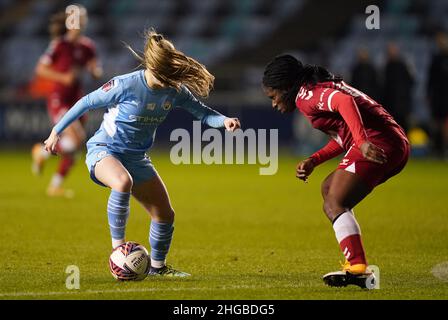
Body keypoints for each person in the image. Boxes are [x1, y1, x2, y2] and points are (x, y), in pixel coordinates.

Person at [43, 30, 241, 277]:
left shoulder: (174, 90)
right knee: (122, 181)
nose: (169, 82)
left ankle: (158, 268)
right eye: (165, 76)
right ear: (153, 67)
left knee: (165, 214)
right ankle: (119, 252)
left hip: (137, 158)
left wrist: (225, 122)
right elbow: (86, 102)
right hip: (105, 151)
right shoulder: (125, 84)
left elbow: (204, 113)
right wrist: (56, 132)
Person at [262, 55, 409, 288]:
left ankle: (358, 268)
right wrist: (315, 160)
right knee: (329, 188)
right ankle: (358, 267)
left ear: (286, 87)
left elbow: (344, 103)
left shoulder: (307, 96)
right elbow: (345, 136)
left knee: (334, 202)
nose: (274, 104)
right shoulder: (316, 89)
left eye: (273, 97)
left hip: (379, 142)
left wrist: (362, 142)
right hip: (389, 142)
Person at [32, 5, 103, 198]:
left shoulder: (88, 46)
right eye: (76, 18)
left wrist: (95, 72)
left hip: (77, 100)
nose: (79, 22)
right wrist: (63, 78)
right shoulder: (59, 45)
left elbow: (95, 68)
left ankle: (54, 183)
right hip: (59, 99)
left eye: (81, 18)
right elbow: (41, 69)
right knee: (79, 139)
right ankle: (43, 152)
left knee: (73, 146)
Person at [382, 42, 414, 133]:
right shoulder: (386, 67)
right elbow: (384, 87)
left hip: (402, 103)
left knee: (404, 128)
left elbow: (411, 82)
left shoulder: (403, 65)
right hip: (390, 104)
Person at [427, 32, 448, 159]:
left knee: (445, 123)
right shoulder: (436, 59)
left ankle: (445, 148)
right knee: (437, 123)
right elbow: (431, 80)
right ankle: (438, 148)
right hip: (438, 96)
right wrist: (429, 94)